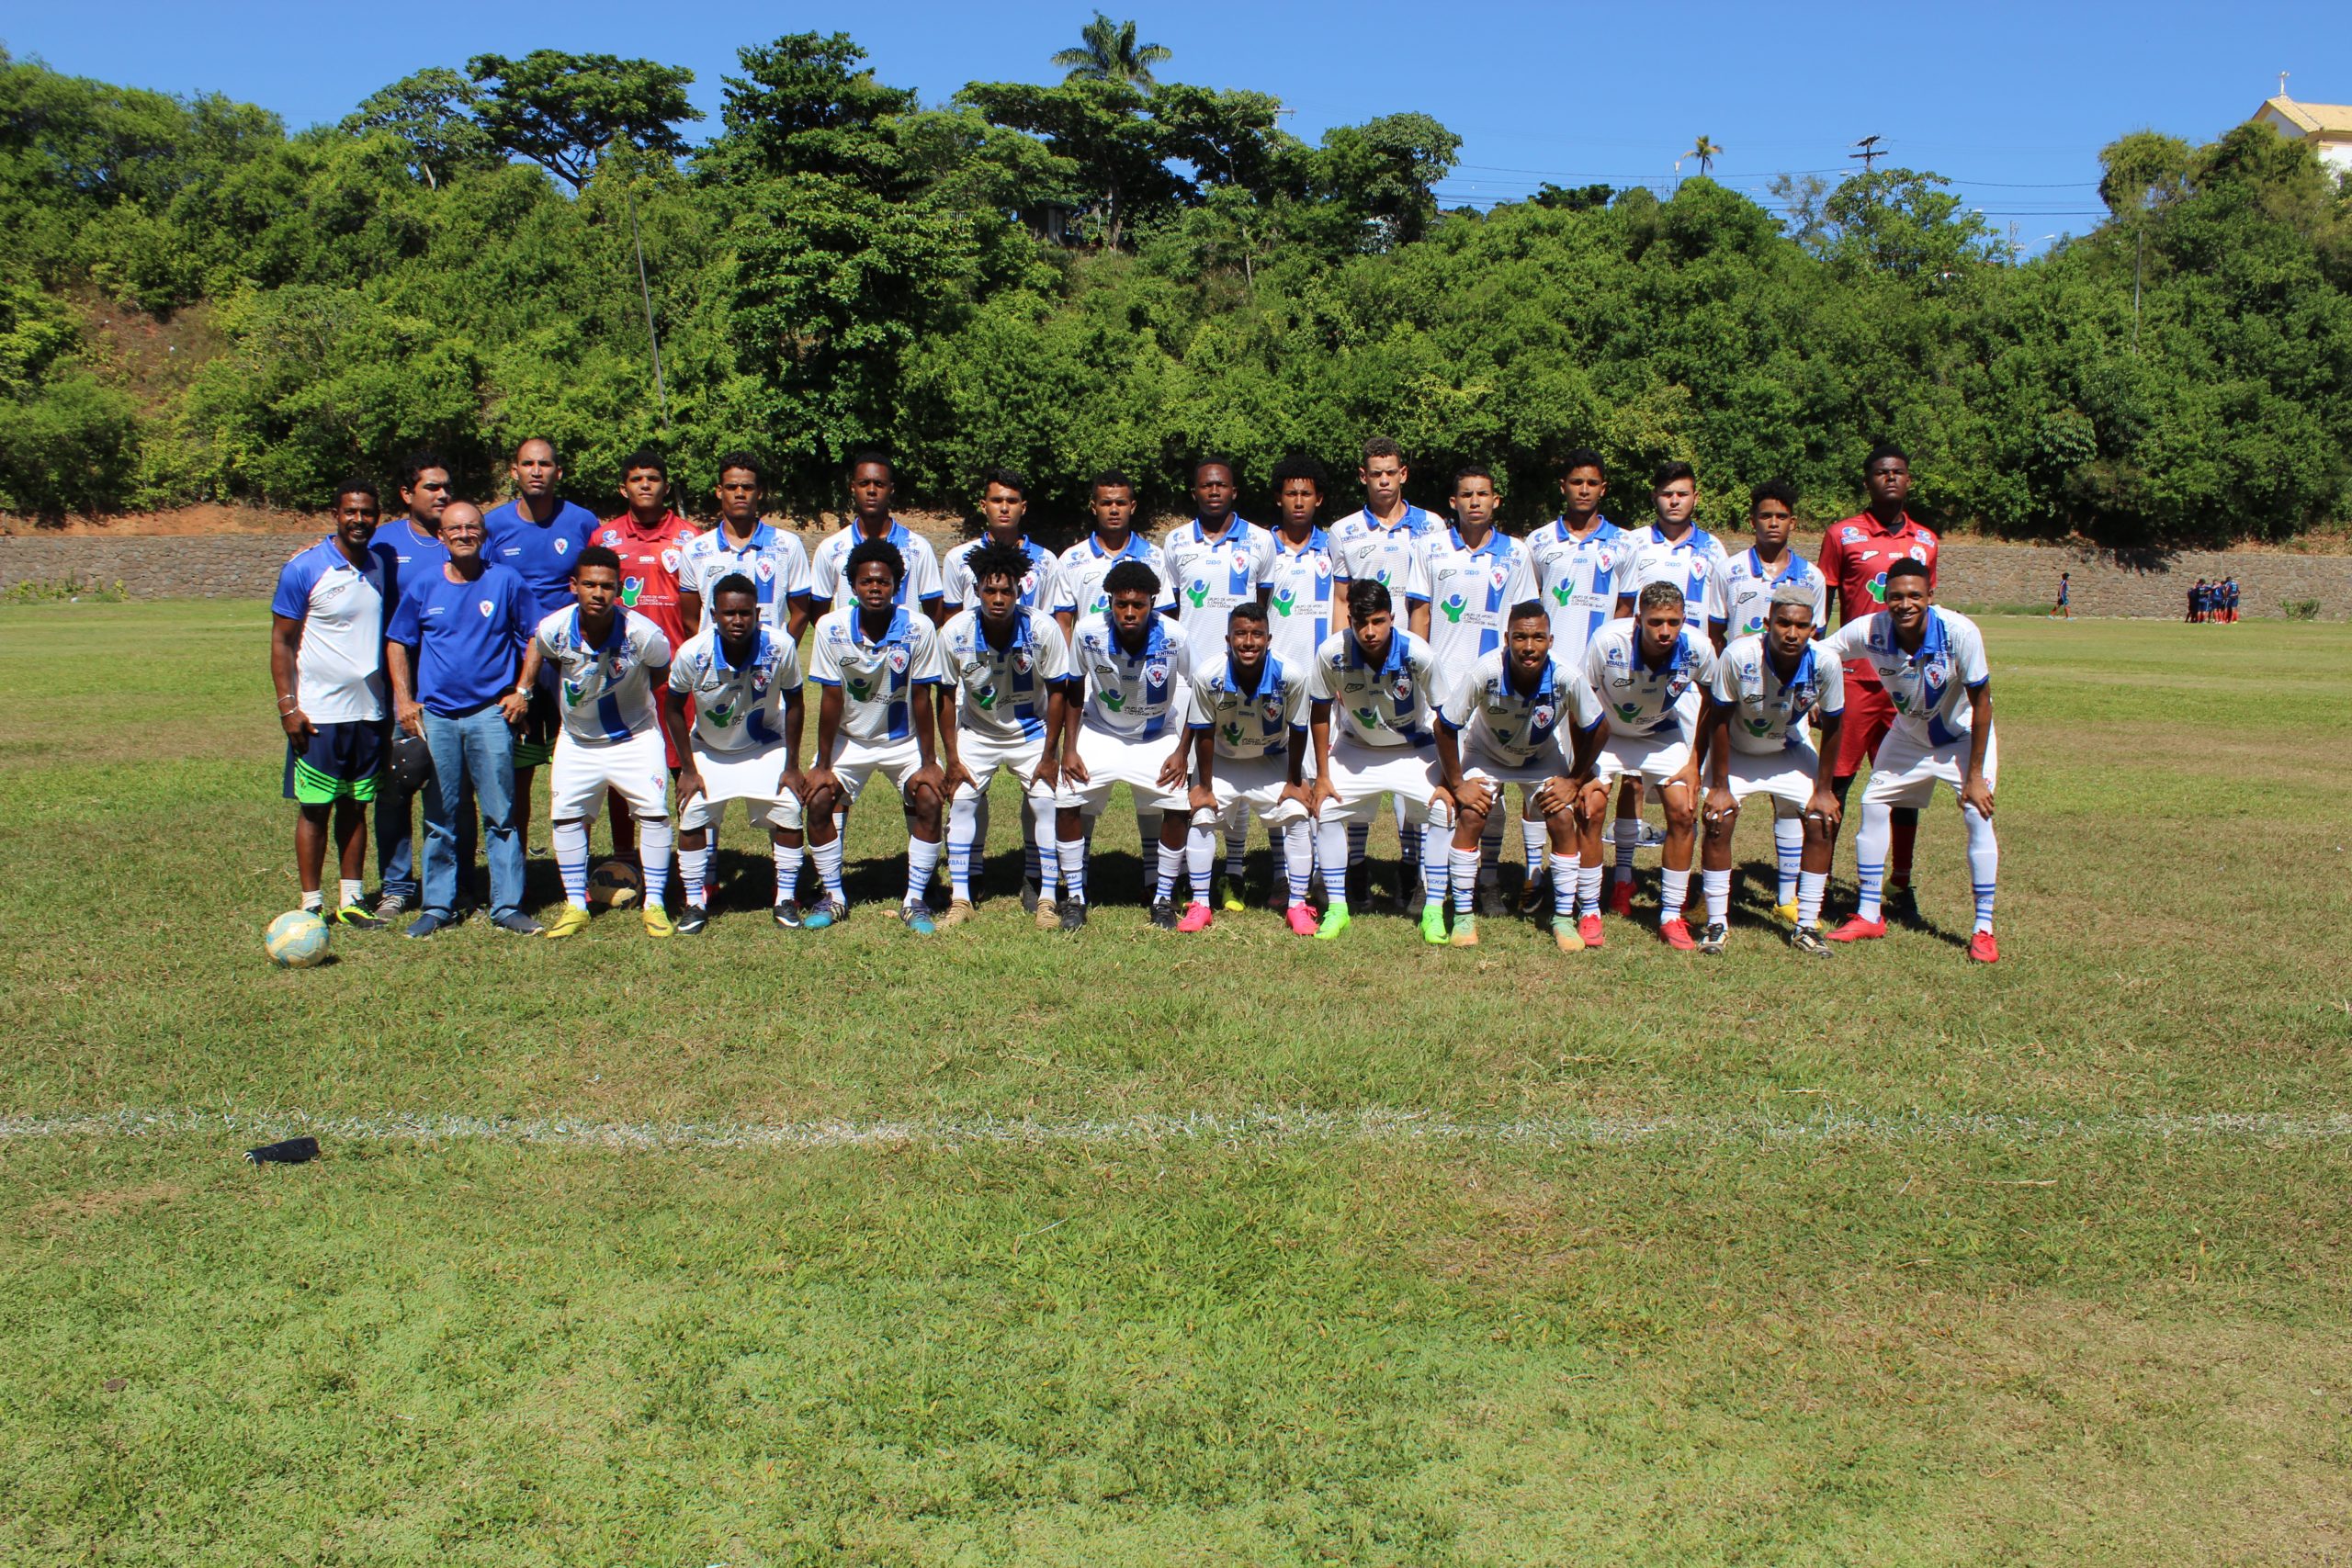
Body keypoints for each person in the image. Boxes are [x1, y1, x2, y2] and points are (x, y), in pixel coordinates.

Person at [1822, 558, 2000, 962]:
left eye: (1915, 596)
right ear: (1885, 597)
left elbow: (1983, 702)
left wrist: (1974, 776)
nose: (1905, 604)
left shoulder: (1960, 632)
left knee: (1978, 813)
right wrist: (1821, 694)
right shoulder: (1871, 629)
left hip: (1962, 737)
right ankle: (1869, 914)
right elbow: (1824, 652)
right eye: (1896, 596)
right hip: (1908, 735)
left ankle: (1983, 929)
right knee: (1872, 803)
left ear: (1930, 596)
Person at [382, 501, 540, 937]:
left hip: (490, 714)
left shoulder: (505, 580)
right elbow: (397, 641)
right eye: (455, 528)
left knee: (501, 815)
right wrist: (404, 700)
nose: (464, 534)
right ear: (441, 536)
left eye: (472, 527)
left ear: (483, 535)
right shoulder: (425, 583)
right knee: (440, 816)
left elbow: (536, 635)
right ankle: (438, 905)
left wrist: (523, 690)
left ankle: (507, 905)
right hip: (436, 717)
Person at [514, 545, 686, 939]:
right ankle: (576, 905)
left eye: (607, 586)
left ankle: (655, 904)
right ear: (574, 585)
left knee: (655, 815)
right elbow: (542, 650)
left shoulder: (643, 633)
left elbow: (660, 674)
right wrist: (526, 687)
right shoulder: (554, 628)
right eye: (590, 584)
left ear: (619, 590)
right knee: (566, 818)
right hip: (577, 741)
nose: (598, 593)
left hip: (634, 738)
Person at [1816, 442, 1939, 919]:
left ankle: (1900, 883)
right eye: (1882, 472)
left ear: (1909, 480)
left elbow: (1928, 611)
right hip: (1856, 680)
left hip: (1907, 685)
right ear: (1868, 480)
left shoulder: (1926, 540)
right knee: (1838, 782)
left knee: (1904, 787)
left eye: (1899, 472)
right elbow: (1823, 610)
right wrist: (1815, 678)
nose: (1891, 478)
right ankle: (1820, 881)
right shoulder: (1842, 534)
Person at [801, 538, 949, 932]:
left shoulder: (919, 627)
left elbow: (922, 696)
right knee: (818, 798)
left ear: (896, 585)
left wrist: (930, 762)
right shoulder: (831, 627)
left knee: (930, 797)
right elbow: (830, 698)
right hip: (850, 739)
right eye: (866, 581)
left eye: (883, 582)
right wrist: (823, 764)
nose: (875, 588)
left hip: (902, 740)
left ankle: (915, 899)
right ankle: (833, 896)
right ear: (852, 585)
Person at [1432, 600, 1598, 951]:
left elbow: (1599, 727)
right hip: (1486, 753)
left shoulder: (1567, 676)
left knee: (1562, 818)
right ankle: (1463, 916)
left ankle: (1563, 919)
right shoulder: (1485, 671)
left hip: (1540, 756)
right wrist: (1458, 783)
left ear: (1550, 641)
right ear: (1507, 639)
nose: (1529, 647)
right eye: (1520, 637)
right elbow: (1445, 725)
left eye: (1538, 638)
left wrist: (1575, 780)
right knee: (1471, 814)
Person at [270, 479, 399, 929]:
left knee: (356, 805)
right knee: (315, 808)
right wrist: (288, 707)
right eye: (350, 512)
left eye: (367, 513)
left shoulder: (381, 565)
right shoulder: (304, 568)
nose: (359, 520)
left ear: (377, 517)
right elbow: (282, 641)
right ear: (336, 515)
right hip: (318, 714)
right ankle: (311, 903)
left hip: (369, 711)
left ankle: (351, 900)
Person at [1603, 460, 1730, 916]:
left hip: (1686, 675)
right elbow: (1623, 607)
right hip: (1640, 671)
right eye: (1666, 493)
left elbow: (1718, 620)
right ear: (1654, 497)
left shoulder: (1713, 549)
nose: (1674, 500)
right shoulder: (1633, 543)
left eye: (1683, 493)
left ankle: (1684, 886)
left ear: (1696, 497)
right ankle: (1622, 878)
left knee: (1686, 784)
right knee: (1631, 779)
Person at [1697, 584, 1846, 954]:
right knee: (1718, 819)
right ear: (1767, 624)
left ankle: (1807, 925)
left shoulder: (1826, 663)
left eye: (1801, 626)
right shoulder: (1739, 655)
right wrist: (1720, 786)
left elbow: (1834, 726)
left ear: (1813, 629)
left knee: (1822, 819)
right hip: (1738, 750)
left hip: (1786, 749)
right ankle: (1716, 922)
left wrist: (1824, 790)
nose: (1791, 633)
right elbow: (1718, 719)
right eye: (1783, 623)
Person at [1051, 559, 1196, 931]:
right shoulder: (1088, 632)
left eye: (1139, 605)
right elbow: (1073, 687)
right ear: (1110, 602)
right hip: (1101, 730)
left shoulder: (1174, 635)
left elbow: (1199, 690)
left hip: (1155, 735)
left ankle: (1163, 897)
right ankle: (1075, 897)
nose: (1129, 612)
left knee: (1178, 804)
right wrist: (1070, 749)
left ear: (1152, 603)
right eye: (1121, 604)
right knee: (1066, 798)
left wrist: (1181, 752)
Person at [933, 541, 1071, 927]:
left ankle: (1047, 898)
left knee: (1046, 801)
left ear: (1019, 591)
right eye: (990, 590)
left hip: (1031, 731)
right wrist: (953, 758)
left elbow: (1058, 692)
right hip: (977, 732)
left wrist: (1050, 755)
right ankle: (960, 899)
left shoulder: (1042, 628)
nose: (998, 599)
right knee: (961, 801)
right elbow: (944, 696)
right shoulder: (955, 631)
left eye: (1006, 591)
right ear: (976, 590)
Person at [1573, 582, 1717, 949]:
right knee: (1591, 808)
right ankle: (1589, 911)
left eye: (1673, 622)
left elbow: (1715, 702)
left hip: (1660, 733)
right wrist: (1583, 771)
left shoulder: (1698, 647)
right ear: (1638, 620)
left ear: (1683, 619)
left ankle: (1670, 915)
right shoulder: (1607, 641)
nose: (1665, 631)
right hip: (1607, 733)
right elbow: (1580, 703)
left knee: (1683, 810)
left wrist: (1694, 762)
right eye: (1655, 622)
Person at [1306, 578, 1451, 942]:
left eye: (1378, 622)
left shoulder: (1418, 653)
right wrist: (1322, 775)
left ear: (1392, 619)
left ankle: (1433, 910)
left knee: (1443, 810)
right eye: (1361, 623)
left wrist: (1450, 779)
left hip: (1412, 747)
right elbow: (1319, 712)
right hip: (1357, 746)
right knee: (1325, 807)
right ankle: (1337, 908)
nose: (1369, 632)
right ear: (1350, 621)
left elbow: (1445, 717)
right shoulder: (1331, 652)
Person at [1422, 462, 1540, 908]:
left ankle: (1486, 880)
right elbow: (1420, 615)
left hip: (1496, 690)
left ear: (1496, 501)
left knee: (1491, 791)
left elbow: (1525, 618)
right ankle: (1429, 882)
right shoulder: (1431, 548)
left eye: (1483, 494)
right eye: (1467, 495)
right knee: (1439, 786)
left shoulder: (1516, 552)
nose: (1475, 502)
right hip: (1444, 687)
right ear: (1453, 502)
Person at [1161, 456, 1275, 908]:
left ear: (1234, 492)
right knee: (1191, 776)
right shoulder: (1175, 541)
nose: (1214, 492)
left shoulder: (1260, 540)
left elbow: (1260, 607)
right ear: (1195, 492)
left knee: (1239, 769)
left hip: (1241, 677)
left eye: (1222, 485)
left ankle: (1234, 873)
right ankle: (1187, 875)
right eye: (1206, 486)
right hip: (1191, 680)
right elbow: (1171, 612)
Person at [667, 573, 808, 933]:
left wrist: (792, 765)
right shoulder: (692, 653)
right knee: (692, 812)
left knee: (789, 808)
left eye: (745, 613)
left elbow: (795, 702)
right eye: (729, 613)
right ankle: (695, 902)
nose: (737, 620)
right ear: (714, 615)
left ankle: (785, 898)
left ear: (757, 614)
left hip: (764, 745)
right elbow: (672, 709)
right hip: (710, 748)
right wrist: (688, 769)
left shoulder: (780, 646)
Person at [1330, 437, 1437, 907]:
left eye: (1391, 471)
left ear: (1403, 474)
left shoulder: (1431, 526)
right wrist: (1342, 663)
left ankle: (1411, 872)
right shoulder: (1344, 530)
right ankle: (1355, 871)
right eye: (1375, 473)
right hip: (1360, 659)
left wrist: (1416, 659)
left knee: (1410, 769)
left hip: (1406, 663)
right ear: (1363, 476)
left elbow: (1422, 604)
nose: (1384, 480)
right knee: (1358, 759)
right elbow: (1341, 599)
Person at [1523, 446, 1628, 912]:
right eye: (1576, 482)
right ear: (1563, 487)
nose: (1584, 490)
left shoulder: (1624, 544)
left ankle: (1582, 883)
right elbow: (1529, 607)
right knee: (1540, 775)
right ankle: (1533, 872)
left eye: (1592, 483)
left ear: (1603, 488)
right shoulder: (1539, 541)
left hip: (1598, 683)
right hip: (1546, 680)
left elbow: (1625, 610)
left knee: (1587, 785)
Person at [483, 437, 600, 845]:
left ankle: (577, 861)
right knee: (518, 768)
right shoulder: (494, 525)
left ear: (558, 472)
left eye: (545, 464)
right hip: (515, 662)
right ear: (513, 471)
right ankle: (516, 862)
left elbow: (599, 580)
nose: (537, 471)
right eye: (528, 464)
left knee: (578, 766)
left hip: (571, 660)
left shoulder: (582, 521)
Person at [594, 447, 702, 870]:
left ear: (666, 487)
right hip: (622, 674)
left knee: (683, 764)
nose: (645, 485)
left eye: (653, 478)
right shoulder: (604, 538)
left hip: (676, 671)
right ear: (624, 488)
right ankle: (624, 859)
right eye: (636, 479)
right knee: (621, 766)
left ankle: (692, 860)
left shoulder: (690, 538)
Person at [1183, 600, 1317, 934]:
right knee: (1202, 814)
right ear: (1228, 639)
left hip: (1272, 758)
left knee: (1297, 814)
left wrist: (1294, 781)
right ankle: (1200, 904)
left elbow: (1299, 729)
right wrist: (1205, 786)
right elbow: (1203, 732)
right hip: (1224, 760)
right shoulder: (1208, 675)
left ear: (1268, 639)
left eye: (1257, 634)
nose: (1248, 642)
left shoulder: (1291, 675)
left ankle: (1298, 905)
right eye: (1240, 634)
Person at [368, 450, 458, 920]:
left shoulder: (461, 538)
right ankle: (397, 885)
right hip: (396, 687)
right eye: (431, 487)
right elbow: (340, 553)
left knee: (450, 790)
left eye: (446, 487)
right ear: (407, 494)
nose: (442, 494)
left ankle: (455, 883)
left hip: (449, 688)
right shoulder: (384, 543)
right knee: (396, 786)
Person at [1260, 454, 1343, 910]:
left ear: (1319, 499)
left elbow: (1343, 603)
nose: (1298, 501)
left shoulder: (1333, 547)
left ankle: (1320, 876)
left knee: (1318, 775)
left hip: (1321, 681)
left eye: (1306, 494)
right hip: (1274, 683)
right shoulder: (1262, 547)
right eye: (1290, 493)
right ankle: (1283, 874)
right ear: (1278, 498)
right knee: (1285, 778)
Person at [678, 452, 811, 638]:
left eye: (747, 487)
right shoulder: (695, 550)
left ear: (760, 492)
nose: (740, 494)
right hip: (715, 656)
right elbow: (689, 619)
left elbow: (801, 613)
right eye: (731, 487)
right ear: (719, 491)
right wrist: (708, 650)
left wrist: (781, 651)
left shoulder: (788, 545)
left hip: (767, 655)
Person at [808, 452, 945, 623]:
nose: (871, 490)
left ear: (891, 489)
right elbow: (819, 616)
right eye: (864, 483)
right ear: (853, 487)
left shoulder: (918, 547)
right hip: (851, 640)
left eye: (879, 484)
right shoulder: (830, 548)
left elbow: (935, 614)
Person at [1708, 480, 1826, 652]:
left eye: (1781, 517)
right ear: (1753, 521)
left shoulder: (1813, 577)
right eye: (1765, 516)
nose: (1773, 523)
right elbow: (1715, 634)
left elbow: (1815, 637)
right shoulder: (1728, 571)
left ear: (1792, 522)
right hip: (1744, 667)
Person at [1052, 471, 1173, 637]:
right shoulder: (1071, 559)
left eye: (1121, 503)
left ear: (1132, 507)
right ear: (1094, 507)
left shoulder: (1155, 558)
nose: (1114, 510)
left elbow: (1164, 620)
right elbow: (1064, 623)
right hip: (1090, 653)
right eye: (1106, 503)